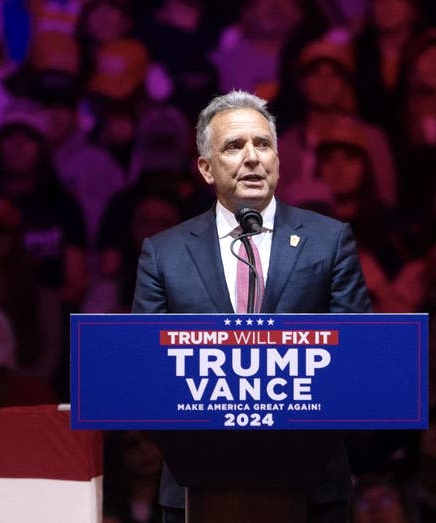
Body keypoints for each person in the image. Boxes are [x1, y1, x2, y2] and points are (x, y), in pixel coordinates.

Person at [131, 90, 371, 523]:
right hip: (194, 485)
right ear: (206, 168)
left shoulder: (329, 240)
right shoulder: (163, 254)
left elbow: (358, 357)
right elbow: (146, 371)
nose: (253, 158)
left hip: (312, 485)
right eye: (234, 146)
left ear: (279, 159)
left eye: (263, 144)